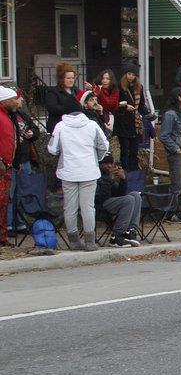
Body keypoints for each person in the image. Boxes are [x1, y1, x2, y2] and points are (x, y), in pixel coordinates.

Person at [47, 102, 109, 251]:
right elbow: (104, 146)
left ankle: (73, 240)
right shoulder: (92, 125)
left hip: (68, 171)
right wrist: (96, 158)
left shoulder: (60, 126)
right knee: (88, 207)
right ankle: (90, 241)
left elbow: (52, 148)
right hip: (89, 170)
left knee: (70, 207)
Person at [6, 89, 39, 236]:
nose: (21, 101)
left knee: (23, 193)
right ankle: (8, 224)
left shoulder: (22, 115)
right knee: (10, 195)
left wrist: (32, 133)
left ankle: (20, 223)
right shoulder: (7, 116)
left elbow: (35, 128)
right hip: (12, 162)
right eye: (18, 98)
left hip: (25, 159)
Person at [95, 155, 142, 247]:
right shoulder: (96, 175)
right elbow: (100, 197)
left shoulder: (108, 175)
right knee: (128, 200)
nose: (109, 166)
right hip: (100, 205)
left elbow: (120, 194)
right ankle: (116, 236)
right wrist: (110, 179)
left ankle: (130, 231)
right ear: (99, 164)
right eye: (106, 163)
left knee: (135, 195)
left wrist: (123, 179)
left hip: (111, 202)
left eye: (110, 163)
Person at [159, 87, 181, 223]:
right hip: (176, 153)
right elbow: (164, 135)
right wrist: (175, 148)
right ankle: (171, 211)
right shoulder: (171, 114)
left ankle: (180, 210)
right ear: (178, 97)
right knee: (176, 184)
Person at [113, 61, 148, 172]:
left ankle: (134, 173)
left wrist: (147, 114)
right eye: (128, 74)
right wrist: (125, 106)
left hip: (135, 123)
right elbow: (115, 103)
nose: (130, 77)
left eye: (133, 74)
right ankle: (125, 173)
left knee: (134, 151)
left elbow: (141, 105)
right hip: (123, 123)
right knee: (125, 151)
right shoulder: (119, 87)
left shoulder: (139, 88)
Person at [45, 61, 86, 133]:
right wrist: (70, 109)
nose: (71, 80)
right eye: (68, 78)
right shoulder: (53, 92)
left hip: (76, 126)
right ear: (61, 79)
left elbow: (83, 103)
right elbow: (52, 108)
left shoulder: (76, 90)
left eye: (73, 78)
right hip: (59, 126)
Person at [0, 86, 18, 246]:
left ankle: (2, 236)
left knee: (4, 202)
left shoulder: (7, 115)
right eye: (13, 99)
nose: (16, 101)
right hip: (1, 165)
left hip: (7, 165)